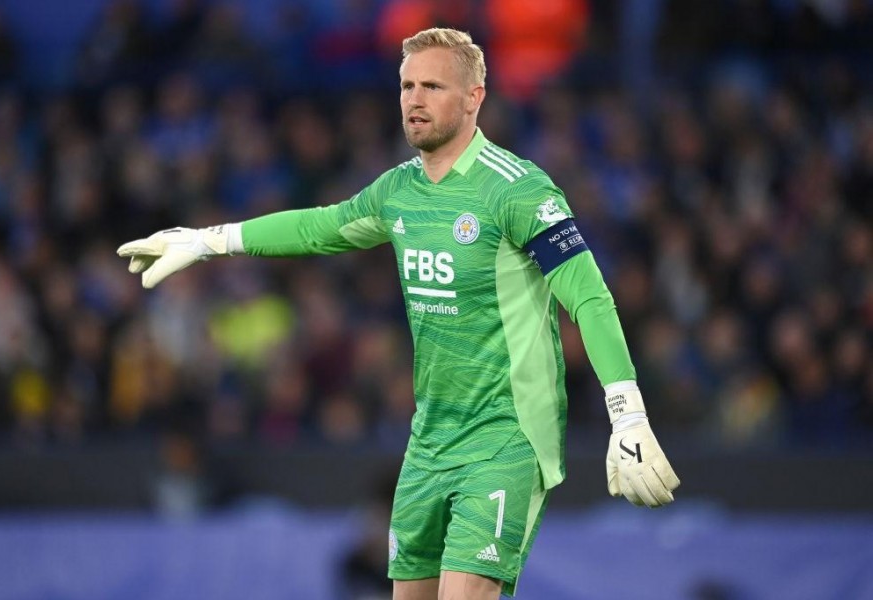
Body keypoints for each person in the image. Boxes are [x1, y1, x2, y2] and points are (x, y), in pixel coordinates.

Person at [117, 27, 680, 600]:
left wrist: (627, 413)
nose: (414, 99)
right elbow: (319, 227)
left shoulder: (519, 190)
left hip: (507, 438)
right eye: (407, 85)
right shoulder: (398, 192)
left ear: (474, 96)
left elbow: (589, 295)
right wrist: (211, 240)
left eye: (433, 86)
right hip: (429, 440)